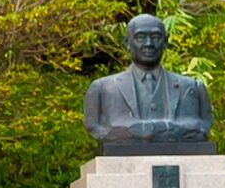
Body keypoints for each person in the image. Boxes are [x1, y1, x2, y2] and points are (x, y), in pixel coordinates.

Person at [82, 12, 214, 153]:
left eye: (155, 37)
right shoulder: (103, 89)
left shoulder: (192, 88)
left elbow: (201, 127)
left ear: (165, 42)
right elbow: (96, 128)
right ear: (127, 42)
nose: (149, 44)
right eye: (140, 37)